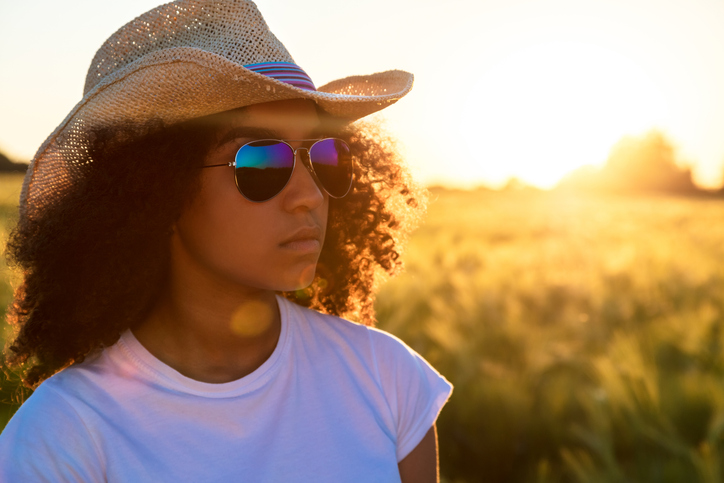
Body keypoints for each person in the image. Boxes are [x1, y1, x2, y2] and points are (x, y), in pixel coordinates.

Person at [0, 0, 452, 481]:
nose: (309, 195)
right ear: (155, 189)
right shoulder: (62, 437)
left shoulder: (389, 380)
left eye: (324, 158)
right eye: (261, 162)